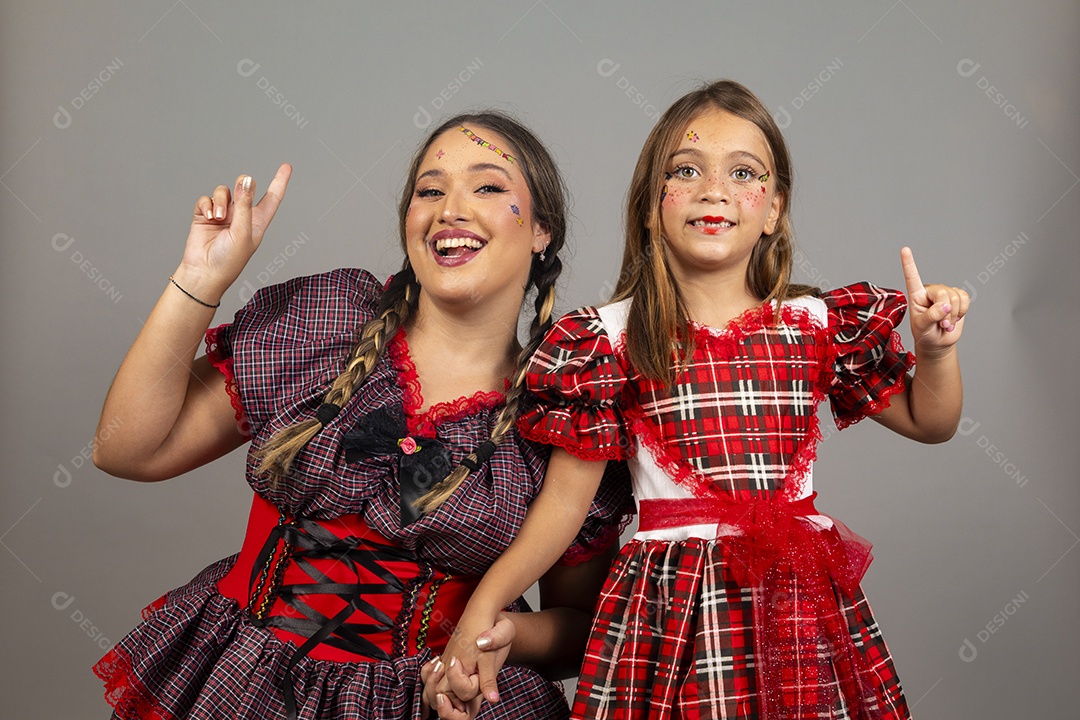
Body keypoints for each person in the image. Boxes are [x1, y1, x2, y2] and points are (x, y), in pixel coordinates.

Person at [436, 81, 970, 719]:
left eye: (743, 173)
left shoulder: (814, 325)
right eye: (685, 171)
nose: (713, 189)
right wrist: (479, 612)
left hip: (797, 608)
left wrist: (935, 351)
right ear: (650, 204)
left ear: (773, 208)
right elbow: (561, 511)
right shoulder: (607, 342)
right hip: (670, 615)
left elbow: (932, 421)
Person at [91, 111, 631, 720]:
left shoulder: (565, 408)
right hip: (243, 686)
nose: (449, 208)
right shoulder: (329, 323)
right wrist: (199, 279)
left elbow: (584, 631)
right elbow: (125, 450)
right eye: (430, 190)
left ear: (542, 231)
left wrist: (497, 638)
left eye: (487, 186)